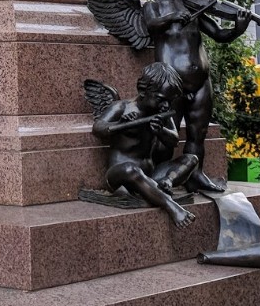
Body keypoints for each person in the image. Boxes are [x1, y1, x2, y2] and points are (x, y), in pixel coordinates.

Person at [141, 0, 251, 188]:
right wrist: (172, 17)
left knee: (197, 133)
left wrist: (238, 29)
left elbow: (219, 34)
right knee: (166, 136)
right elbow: (150, 25)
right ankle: (154, 177)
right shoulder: (154, 6)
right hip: (171, 84)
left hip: (201, 81)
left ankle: (196, 174)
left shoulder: (193, 7)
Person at [85, 64, 198, 228]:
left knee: (191, 159)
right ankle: (170, 205)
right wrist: (121, 123)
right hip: (121, 175)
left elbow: (173, 140)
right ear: (144, 91)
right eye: (161, 99)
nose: (166, 105)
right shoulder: (122, 108)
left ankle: (166, 182)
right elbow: (98, 128)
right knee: (130, 169)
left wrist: (161, 131)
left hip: (150, 174)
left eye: (169, 101)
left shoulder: (161, 112)